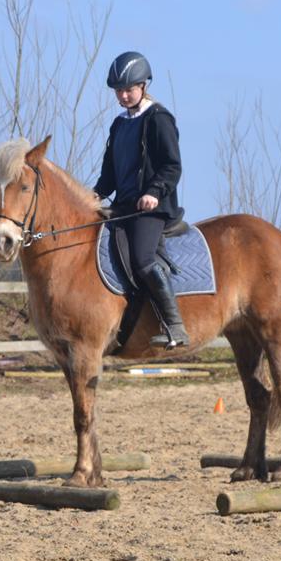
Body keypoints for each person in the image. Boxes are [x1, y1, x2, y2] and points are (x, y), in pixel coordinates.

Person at [94, 51, 190, 348]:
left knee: (143, 258)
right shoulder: (119, 124)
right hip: (123, 207)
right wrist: (96, 193)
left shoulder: (159, 119)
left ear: (143, 86)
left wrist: (153, 192)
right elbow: (110, 172)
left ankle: (175, 326)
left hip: (151, 208)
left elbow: (172, 166)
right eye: (118, 91)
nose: (123, 95)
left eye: (128, 89)